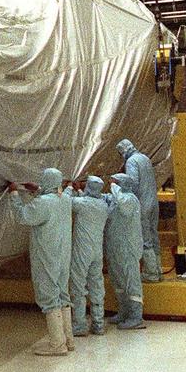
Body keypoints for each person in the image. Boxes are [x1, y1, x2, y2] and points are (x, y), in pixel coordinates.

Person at [8, 168, 73, 355]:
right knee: (62, 294)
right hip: (62, 255)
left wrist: (14, 193)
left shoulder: (43, 203)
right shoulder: (65, 200)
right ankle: (68, 340)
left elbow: (23, 216)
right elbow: (50, 201)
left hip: (47, 255)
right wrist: (37, 190)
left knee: (49, 296)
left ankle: (57, 345)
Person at [65, 176, 109, 336]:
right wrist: (79, 190)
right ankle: (98, 324)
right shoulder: (103, 205)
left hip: (82, 251)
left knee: (78, 286)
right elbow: (87, 201)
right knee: (96, 286)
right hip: (97, 251)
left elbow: (65, 201)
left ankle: (79, 325)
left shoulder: (81, 204)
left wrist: (69, 187)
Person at [105, 173, 146, 330]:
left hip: (128, 248)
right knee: (119, 280)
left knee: (131, 281)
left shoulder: (130, 199)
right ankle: (124, 311)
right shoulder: (115, 198)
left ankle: (136, 316)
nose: (112, 184)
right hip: (115, 247)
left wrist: (114, 186)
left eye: (116, 182)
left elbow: (123, 204)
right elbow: (103, 199)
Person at [117, 139, 161, 282]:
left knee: (145, 238)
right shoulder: (145, 158)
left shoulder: (131, 162)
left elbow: (133, 183)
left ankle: (151, 273)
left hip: (143, 205)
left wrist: (122, 194)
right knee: (154, 235)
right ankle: (158, 269)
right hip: (153, 203)